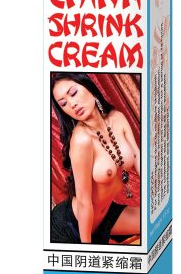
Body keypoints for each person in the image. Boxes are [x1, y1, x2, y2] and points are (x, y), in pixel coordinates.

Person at [50, 73, 141, 244]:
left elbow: (137, 158)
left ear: (88, 86)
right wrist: (87, 248)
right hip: (71, 228)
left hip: (107, 216)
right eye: (63, 103)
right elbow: (84, 202)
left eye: (73, 93)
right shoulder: (81, 140)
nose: (72, 104)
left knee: (158, 221)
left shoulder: (117, 118)